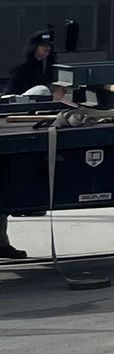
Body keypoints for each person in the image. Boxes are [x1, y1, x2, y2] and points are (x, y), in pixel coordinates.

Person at [2, 31, 65, 259]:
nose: (46, 50)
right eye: (42, 46)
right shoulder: (25, 68)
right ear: (34, 47)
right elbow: (13, 96)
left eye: (48, 47)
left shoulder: (46, 67)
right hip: (18, 114)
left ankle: (1, 243)